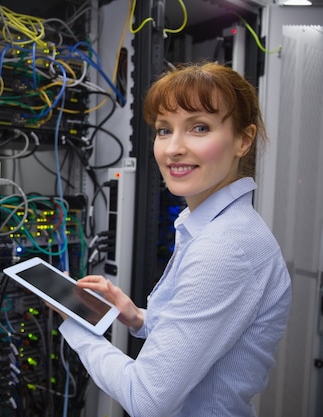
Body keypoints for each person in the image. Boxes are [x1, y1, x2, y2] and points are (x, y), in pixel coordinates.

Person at [55, 62, 292, 416]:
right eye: (164, 130)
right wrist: (136, 317)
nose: (173, 149)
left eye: (199, 127)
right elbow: (205, 333)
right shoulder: (214, 226)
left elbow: (146, 399)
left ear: (243, 140)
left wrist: (76, 325)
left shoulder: (224, 248)